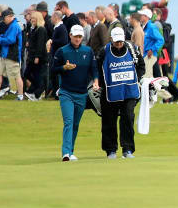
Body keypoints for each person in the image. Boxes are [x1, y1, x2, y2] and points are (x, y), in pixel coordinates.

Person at [54, 25, 98, 161]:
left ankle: (71, 151)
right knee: (69, 121)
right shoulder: (62, 51)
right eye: (75, 36)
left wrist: (96, 81)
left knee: (75, 124)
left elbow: (94, 69)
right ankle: (65, 153)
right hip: (66, 92)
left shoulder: (88, 51)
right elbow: (53, 69)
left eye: (80, 37)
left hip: (82, 93)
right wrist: (64, 67)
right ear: (70, 36)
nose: (77, 39)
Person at [98, 27, 142, 158]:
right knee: (109, 121)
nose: (119, 44)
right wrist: (102, 84)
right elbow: (98, 69)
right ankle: (110, 150)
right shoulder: (104, 51)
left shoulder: (132, 49)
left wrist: (135, 79)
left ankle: (127, 149)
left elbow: (141, 66)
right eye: (116, 41)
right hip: (110, 92)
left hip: (129, 91)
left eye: (120, 41)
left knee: (128, 118)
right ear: (111, 39)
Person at [0, 8, 24, 100]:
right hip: (5, 54)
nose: (3, 20)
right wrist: (0, 36)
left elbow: (11, 40)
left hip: (12, 55)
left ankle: (20, 95)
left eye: (4, 18)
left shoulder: (14, 26)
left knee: (17, 76)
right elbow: (7, 36)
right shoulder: (11, 25)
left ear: (9, 17)